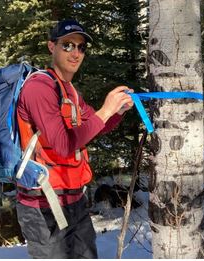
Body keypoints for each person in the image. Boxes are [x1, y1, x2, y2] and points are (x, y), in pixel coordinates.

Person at [15, 19, 133, 259]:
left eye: (81, 47)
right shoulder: (39, 88)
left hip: (74, 201)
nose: (75, 52)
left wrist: (117, 111)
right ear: (52, 47)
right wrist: (105, 110)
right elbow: (64, 144)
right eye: (67, 45)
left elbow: (95, 126)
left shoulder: (69, 91)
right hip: (43, 205)